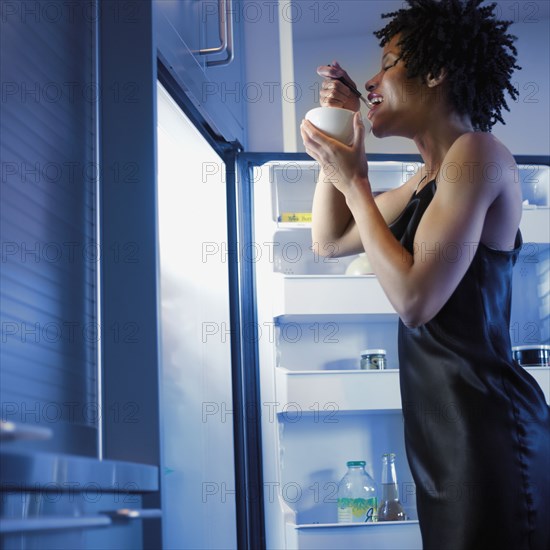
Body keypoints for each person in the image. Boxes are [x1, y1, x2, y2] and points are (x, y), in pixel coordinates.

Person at [300, 0, 550, 548]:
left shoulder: (478, 154)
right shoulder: (422, 183)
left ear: (435, 72)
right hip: (444, 437)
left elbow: (416, 300)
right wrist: (337, 153)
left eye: (388, 62)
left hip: (486, 430)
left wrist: (357, 183)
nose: (371, 80)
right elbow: (329, 241)